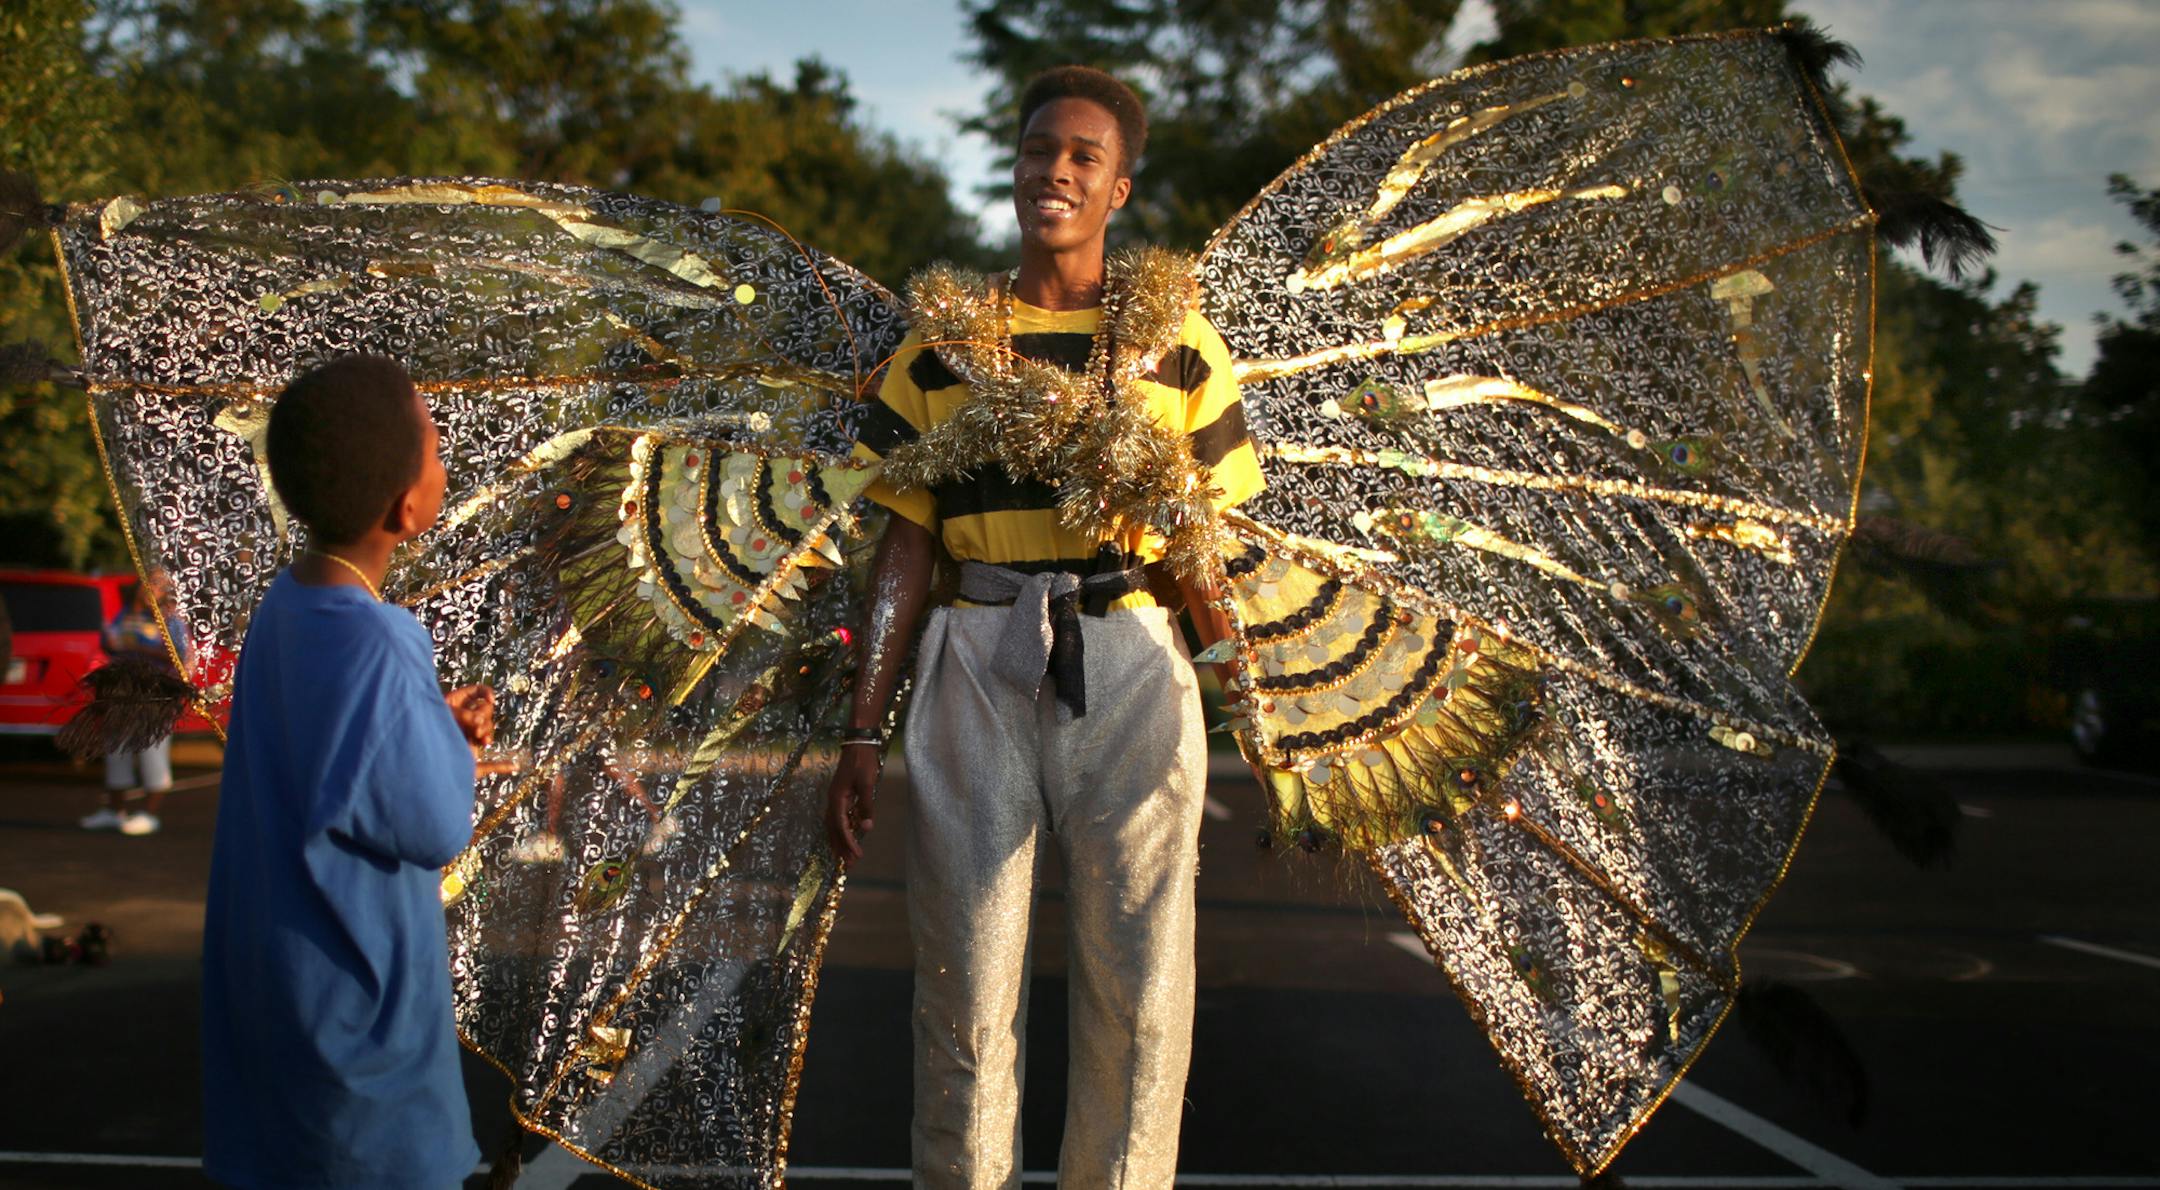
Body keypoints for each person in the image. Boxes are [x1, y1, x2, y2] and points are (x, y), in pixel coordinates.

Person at [825, 67, 1264, 1188]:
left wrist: (1248, 697)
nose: (1054, 172)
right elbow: (905, 544)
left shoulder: (1182, 345)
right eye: (1037, 151)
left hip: (1130, 656)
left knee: (1144, 984)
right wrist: (864, 728)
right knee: (965, 984)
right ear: (1014, 168)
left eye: (1082, 156)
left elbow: (1208, 546)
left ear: (1120, 187)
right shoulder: (942, 348)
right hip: (975, 653)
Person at [200, 354, 495, 1189]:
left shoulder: (283, 608)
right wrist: (457, 748)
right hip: (363, 1039)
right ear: (408, 506)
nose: (444, 459)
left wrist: (431, 724)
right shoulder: (382, 638)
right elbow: (435, 822)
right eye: (436, 444)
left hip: (276, 1008)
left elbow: (342, 762)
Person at [80, 569, 189, 835]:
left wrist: (140, 648)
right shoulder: (126, 614)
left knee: (153, 752)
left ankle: (150, 814)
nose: (147, 587)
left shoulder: (171, 620)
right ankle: (114, 810)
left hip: (154, 695)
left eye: (155, 583)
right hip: (123, 694)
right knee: (117, 750)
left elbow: (179, 657)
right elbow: (111, 645)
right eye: (146, 581)